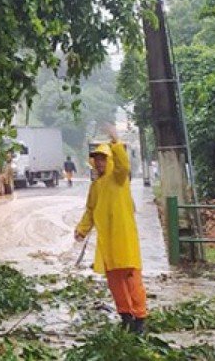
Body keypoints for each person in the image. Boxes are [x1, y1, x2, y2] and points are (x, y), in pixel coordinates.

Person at [74, 130, 147, 334]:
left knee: (132, 281)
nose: (99, 163)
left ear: (110, 159)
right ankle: (125, 316)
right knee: (115, 284)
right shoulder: (95, 186)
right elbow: (90, 211)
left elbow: (123, 165)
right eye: (96, 160)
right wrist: (81, 230)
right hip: (107, 243)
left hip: (124, 239)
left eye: (103, 159)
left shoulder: (119, 178)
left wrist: (116, 142)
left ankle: (140, 318)